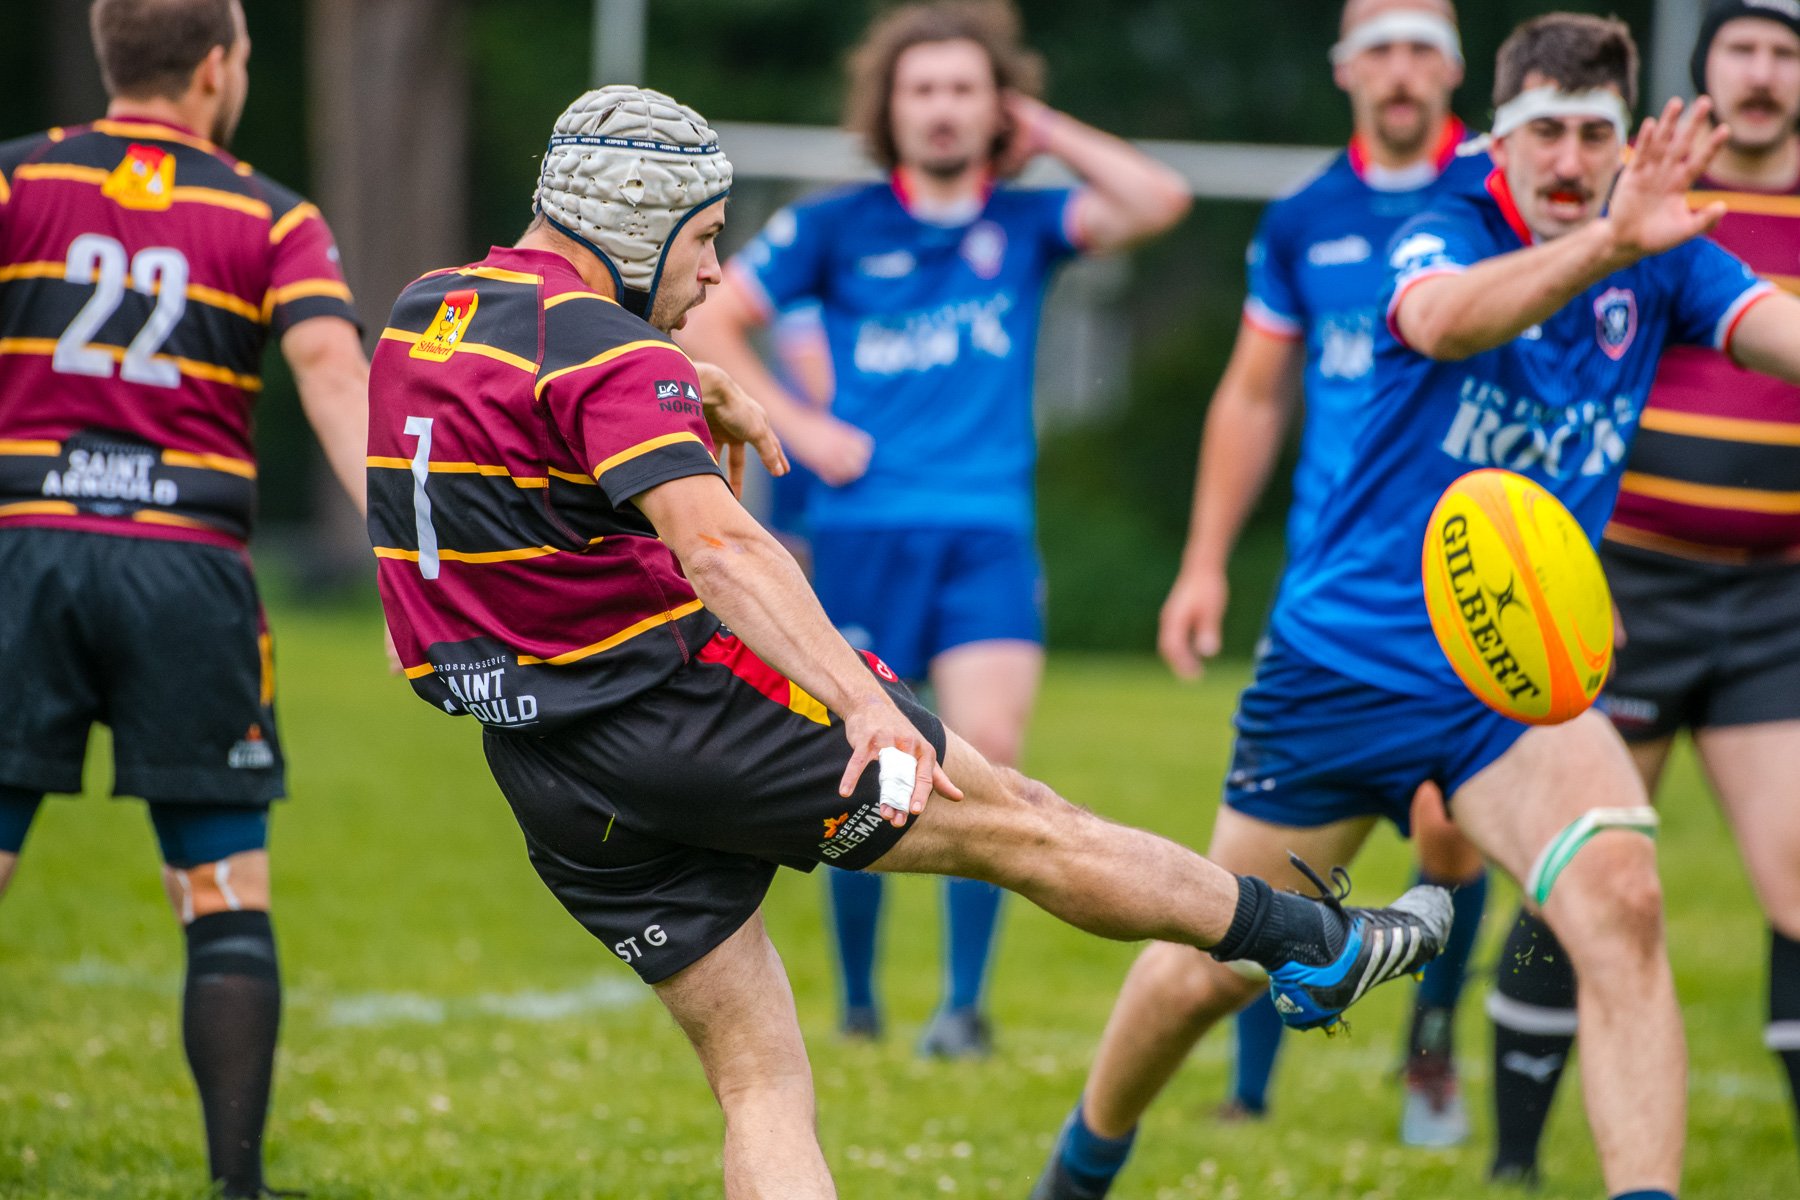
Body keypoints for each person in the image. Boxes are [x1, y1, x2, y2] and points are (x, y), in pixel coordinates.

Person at [366, 83, 1451, 1199]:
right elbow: (724, 550)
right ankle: (1313, 940)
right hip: (689, 706)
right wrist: (864, 701)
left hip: (549, 772)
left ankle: (1301, 941)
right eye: (703, 243)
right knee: (1027, 826)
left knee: (763, 1085)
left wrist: (701, 377)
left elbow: (527, 396)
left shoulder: (428, 313)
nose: (713, 277)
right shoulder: (611, 352)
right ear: (636, 224)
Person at [1033, 12, 1800, 1200]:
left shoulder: (1662, 247)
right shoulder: (1439, 221)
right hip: (1342, 668)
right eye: (1543, 131)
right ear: (1499, 137)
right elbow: (1446, 320)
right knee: (1211, 969)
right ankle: (1081, 1166)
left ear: (1621, 142)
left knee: (1624, 903)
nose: (1566, 160)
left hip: (1507, 687)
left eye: (1592, 134)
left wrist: (1631, 244)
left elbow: (1774, 332)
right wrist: (1605, 244)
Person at [678, 0, 1191, 1056]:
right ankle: (861, 1008)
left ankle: (962, 1009)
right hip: (865, 529)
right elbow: (721, 318)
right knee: (874, 763)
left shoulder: (1025, 220)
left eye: (964, 88)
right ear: (889, 105)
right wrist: (805, 427)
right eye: (923, 89)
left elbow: (1159, 198)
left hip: (988, 534)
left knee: (992, 755)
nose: (943, 109)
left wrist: (1041, 129)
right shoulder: (836, 226)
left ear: (991, 102)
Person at [0, 1, 368, 1195]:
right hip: (188, 570)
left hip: (26, 551)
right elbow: (330, 375)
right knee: (221, 886)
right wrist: (419, 549)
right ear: (216, 68)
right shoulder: (272, 215)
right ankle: (237, 1186)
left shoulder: (17, 183)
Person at [1154, 0, 1490, 1145]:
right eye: (1379, 51)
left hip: (1478, 578)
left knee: (1452, 834)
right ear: (1346, 71)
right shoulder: (1306, 218)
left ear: (1454, 70)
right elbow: (1254, 394)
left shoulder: (1504, 195)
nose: (1400, 73)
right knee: (1276, 843)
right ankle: (1250, 1084)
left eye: (1420, 51)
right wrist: (1203, 563)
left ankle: (1432, 1039)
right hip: (1331, 587)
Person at [1486, 0, 1800, 1182]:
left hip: (1773, 600)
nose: (1765, 73)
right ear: (1703, 71)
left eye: (1787, 54)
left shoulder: (1685, 236)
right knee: (1586, 867)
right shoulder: (1612, 211)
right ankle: (1512, 1153)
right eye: (1746, 50)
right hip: (1615, 594)